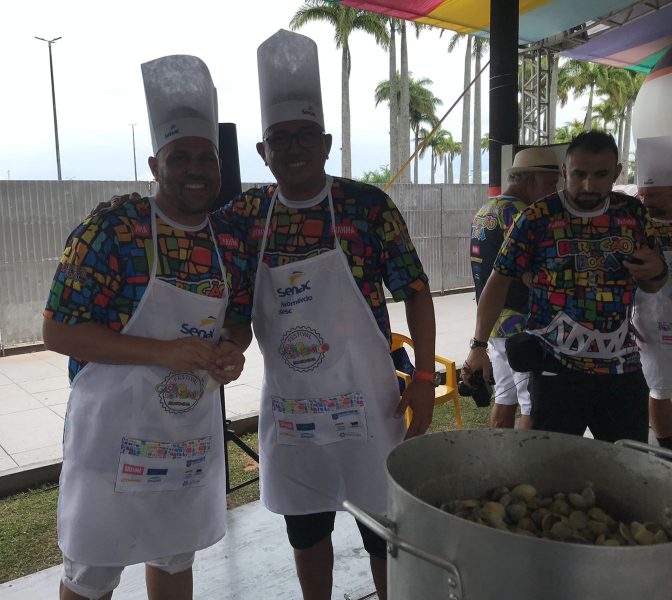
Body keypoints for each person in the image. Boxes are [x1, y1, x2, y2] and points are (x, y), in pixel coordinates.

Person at [213, 29, 436, 600]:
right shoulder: (247, 214)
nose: (292, 148)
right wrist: (224, 346)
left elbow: (415, 290)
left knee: (383, 532)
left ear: (326, 142)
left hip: (371, 403)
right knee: (306, 531)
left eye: (305, 135)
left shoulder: (366, 206)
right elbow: (226, 291)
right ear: (261, 151)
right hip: (294, 409)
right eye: (278, 139)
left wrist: (423, 377)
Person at [42, 55, 251, 600]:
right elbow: (58, 332)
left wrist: (233, 349)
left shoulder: (228, 241)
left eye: (206, 157)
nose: (195, 169)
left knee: (174, 553)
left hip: (184, 436)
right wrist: (162, 352)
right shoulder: (112, 228)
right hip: (111, 439)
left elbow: (238, 318)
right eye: (181, 158)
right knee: (91, 572)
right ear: (157, 164)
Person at [463, 130, 668, 443]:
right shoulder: (536, 217)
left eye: (600, 175)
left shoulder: (632, 214)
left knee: (626, 462)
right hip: (555, 371)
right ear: (564, 171)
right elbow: (498, 279)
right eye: (579, 174)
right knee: (550, 465)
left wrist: (657, 272)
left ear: (616, 172)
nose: (588, 185)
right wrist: (478, 346)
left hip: (620, 370)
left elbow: (653, 284)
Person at [470, 146, 560, 430]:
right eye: (551, 183)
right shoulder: (522, 214)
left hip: (495, 323)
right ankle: (526, 457)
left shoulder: (486, 210)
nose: (554, 192)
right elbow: (532, 272)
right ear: (531, 180)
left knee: (505, 398)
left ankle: (500, 456)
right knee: (531, 404)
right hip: (522, 323)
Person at [632, 135, 672, 450]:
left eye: (654, 195)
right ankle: (666, 449)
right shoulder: (634, 224)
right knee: (660, 386)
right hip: (651, 320)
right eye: (643, 194)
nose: (646, 201)